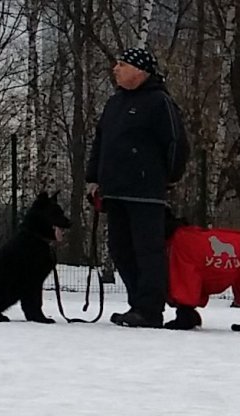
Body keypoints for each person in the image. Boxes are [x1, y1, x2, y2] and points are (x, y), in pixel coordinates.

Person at [86, 47, 184, 328]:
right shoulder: (114, 103)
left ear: (140, 71)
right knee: (120, 249)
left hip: (146, 193)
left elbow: (176, 143)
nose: (115, 68)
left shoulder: (159, 102)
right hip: (114, 191)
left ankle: (150, 308)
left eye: (122, 64)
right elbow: (100, 142)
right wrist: (93, 179)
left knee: (148, 250)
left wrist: (169, 177)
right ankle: (138, 303)